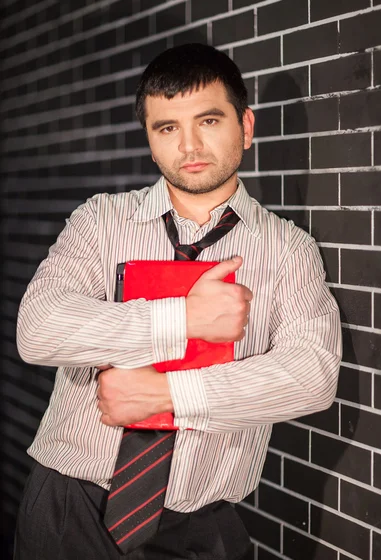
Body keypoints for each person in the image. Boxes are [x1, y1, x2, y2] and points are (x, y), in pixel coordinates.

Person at [14, 43, 342, 560]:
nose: (189, 145)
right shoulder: (101, 221)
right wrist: (183, 316)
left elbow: (312, 375)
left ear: (247, 127)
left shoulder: (288, 249)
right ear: (149, 140)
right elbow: (38, 329)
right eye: (167, 128)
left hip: (199, 529)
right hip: (68, 511)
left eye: (208, 120)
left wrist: (170, 394)